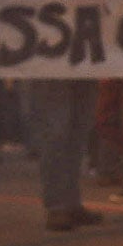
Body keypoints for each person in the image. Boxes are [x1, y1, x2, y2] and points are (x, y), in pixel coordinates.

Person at [23, 80, 103, 231]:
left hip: (83, 70)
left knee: (78, 131)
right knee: (56, 132)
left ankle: (71, 202)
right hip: (52, 70)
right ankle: (57, 206)